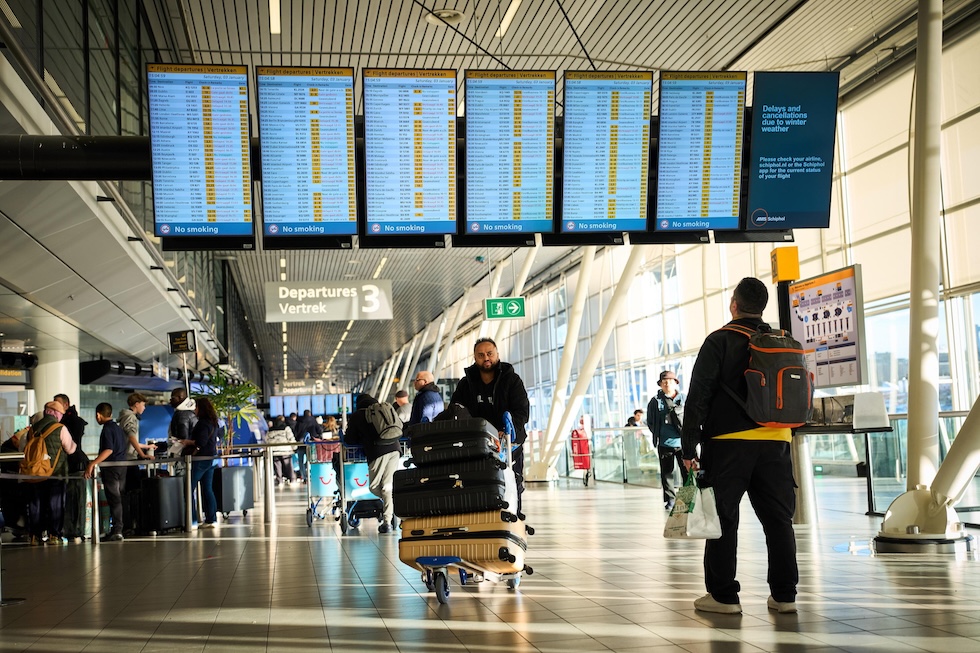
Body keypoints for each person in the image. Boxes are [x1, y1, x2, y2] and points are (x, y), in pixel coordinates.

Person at [681, 277, 799, 615]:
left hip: (728, 445)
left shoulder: (720, 340)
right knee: (779, 521)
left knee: (724, 520)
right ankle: (784, 595)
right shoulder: (781, 340)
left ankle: (724, 596)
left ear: (735, 304)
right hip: (777, 442)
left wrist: (689, 448)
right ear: (761, 307)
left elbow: (698, 396)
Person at [450, 337, 530, 515]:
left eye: (489, 353)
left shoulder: (512, 380)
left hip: (509, 443)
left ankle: (514, 517)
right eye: (481, 355)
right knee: (479, 482)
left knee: (512, 480)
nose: (486, 358)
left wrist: (507, 430)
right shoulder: (466, 384)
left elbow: (522, 411)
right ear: (475, 358)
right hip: (478, 444)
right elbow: (456, 409)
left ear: (497, 355)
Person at [344, 393, 401, 533]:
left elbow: (349, 439)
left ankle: (393, 508)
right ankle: (387, 521)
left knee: (375, 486)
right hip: (395, 448)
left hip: (377, 451)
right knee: (387, 486)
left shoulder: (358, 415)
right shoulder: (383, 409)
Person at [23, 401, 77, 545]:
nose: (61, 417)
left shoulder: (32, 429)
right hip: (55, 473)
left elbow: (24, 448)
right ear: (53, 412)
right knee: (55, 504)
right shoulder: (60, 428)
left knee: (36, 504)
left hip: (35, 472)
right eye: (60, 414)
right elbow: (71, 449)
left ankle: (34, 536)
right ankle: (54, 535)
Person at [85, 403, 128, 541]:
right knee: (119, 497)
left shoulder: (107, 429)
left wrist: (93, 463)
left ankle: (117, 530)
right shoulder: (118, 428)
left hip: (111, 468)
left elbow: (108, 449)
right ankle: (119, 528)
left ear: (98, 414)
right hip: (122, 466)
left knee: (114, 498)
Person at [646, 370, 687, 511]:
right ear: (660, 385)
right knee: (667, 473)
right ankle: (670, 499)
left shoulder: (684, 398)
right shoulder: (655, 401)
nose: (666, 383)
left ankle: (687, 499)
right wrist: (659, 434)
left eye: (669, 380)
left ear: (676, 382)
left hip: (683, 443)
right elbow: (650, 421)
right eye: (664, 381)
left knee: (687, 472)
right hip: (664, 443)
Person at [181, 396, 219, 528]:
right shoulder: (213, 422)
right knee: (207, 489)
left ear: (201, 408)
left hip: (201, 459)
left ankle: (191, 521)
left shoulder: (203, 423)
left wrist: (187, 442)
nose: (194, 410)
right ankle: (211, 519)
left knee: (188, 488)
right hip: (211, 458)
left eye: (196, 407)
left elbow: (201, 442)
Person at [54, 393, 89, 473]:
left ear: (66, 405)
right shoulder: (61, 421)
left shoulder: (73, 422)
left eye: (57, 404)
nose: (55, 407)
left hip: (72, 462)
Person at [265, 416, 297, 485]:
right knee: (288, 466)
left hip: (274, 451)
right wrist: (294, 447)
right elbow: (291, 438)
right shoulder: (286, 428)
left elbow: (267, 440)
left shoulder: (270, 429)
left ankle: (280, 481)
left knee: (277, 466)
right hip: (285, 450)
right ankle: (292, 479)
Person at [167, 387, 198, 459]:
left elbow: (183, 437)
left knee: (181, 470)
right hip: (192, 452)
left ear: (180, 397)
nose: (170, 400)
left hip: (182, 452)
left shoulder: (181, 414)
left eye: (173, 398)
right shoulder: (192, 411)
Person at [293, 409, 321, 483]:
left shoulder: (299, 421)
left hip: (301, 443)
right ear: (310, 414)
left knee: (300, 460)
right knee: (311, 459)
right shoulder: (313, 420)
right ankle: (310, 474)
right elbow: (319, 430)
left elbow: (295, 432)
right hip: (311, 443)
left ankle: (304, 476)